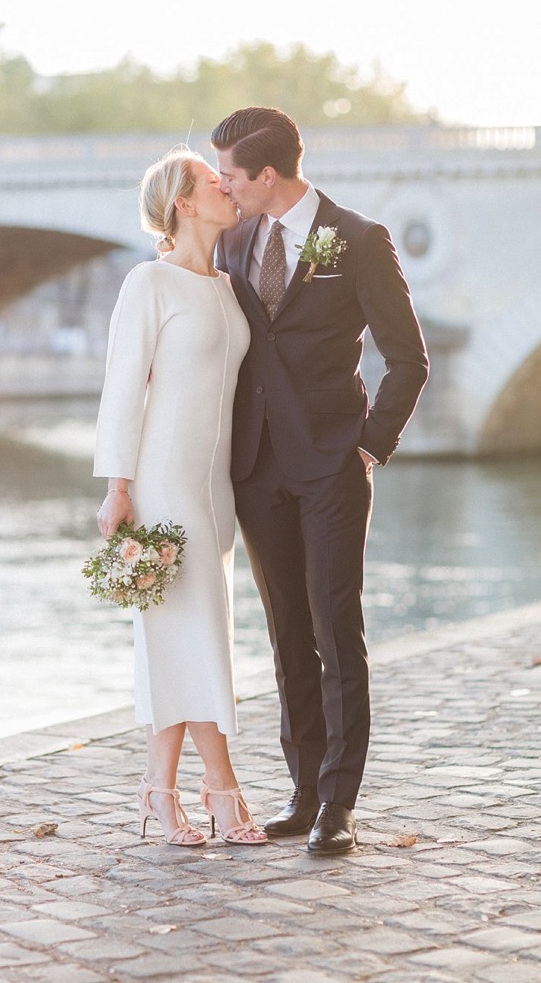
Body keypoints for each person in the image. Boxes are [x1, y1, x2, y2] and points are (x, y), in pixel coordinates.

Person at [211, 107, 429, 856]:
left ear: (266, 175)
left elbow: (409, 359)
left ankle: (339, 805)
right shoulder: (233, 241)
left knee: (338, 632)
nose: (223, 187)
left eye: (231, 176)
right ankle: (302, 793)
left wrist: (369, 447)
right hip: (256, 470)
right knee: (286, 637)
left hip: (333, 467)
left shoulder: (356, 238)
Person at [94, 146, 268, 847]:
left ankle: (158, 794)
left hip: (216, 487)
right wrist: (118, 488)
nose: (228, 187)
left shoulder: (227, 288)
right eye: (212, 181)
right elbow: (121, 390)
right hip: (164, 485)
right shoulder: (149, 282)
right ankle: (222, 789)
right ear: (184, 205)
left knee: (182, 640)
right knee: (195, 638)